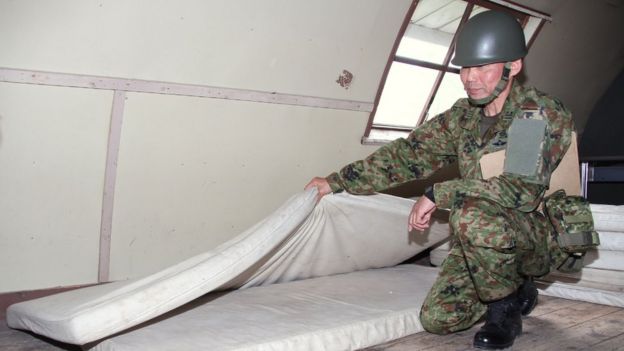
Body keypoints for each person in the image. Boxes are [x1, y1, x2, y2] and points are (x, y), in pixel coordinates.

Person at [305, 10, 575, 350]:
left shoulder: (535, 114)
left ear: (514, 66)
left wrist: (438, 193)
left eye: (482, 68)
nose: (469, 78)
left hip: (536, 234)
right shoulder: (464, 117)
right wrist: (336, 181)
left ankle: (505, 313)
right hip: (488, 236)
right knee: (439, 319)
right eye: (464, 67)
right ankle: (517, 285)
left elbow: (518, 191)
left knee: (472, 213)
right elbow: (408, 155)